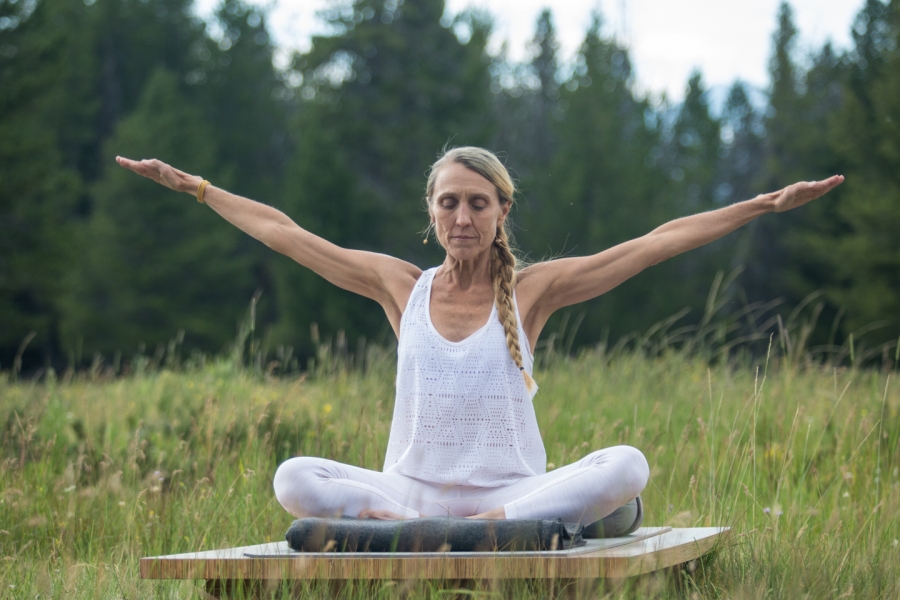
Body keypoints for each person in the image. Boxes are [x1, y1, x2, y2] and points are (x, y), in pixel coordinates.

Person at [116, 147, 842, 526]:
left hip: (514, 491)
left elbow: (655, 244)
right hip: (411, 493)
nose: (462, 217)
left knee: (627, 466)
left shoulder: (534, 291)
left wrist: (764, 204)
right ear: (431, 213)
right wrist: (197, 188)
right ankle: (417, 528)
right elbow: (285, 234)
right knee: (292, 478)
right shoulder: (400, 285)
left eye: (478, 203)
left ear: (501, 212)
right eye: (448, 203)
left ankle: (495, 525)